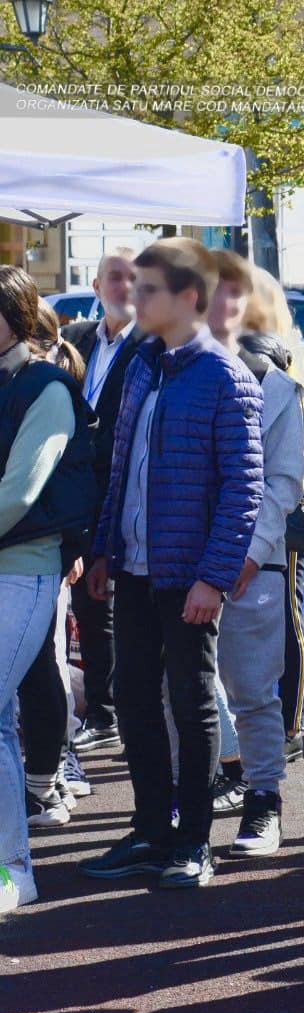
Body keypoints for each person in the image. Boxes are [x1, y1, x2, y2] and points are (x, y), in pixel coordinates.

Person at [77, 238, 265, 890]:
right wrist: (103, 548)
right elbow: (121, 468)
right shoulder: (142, 367)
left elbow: (245, 488)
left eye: (150, 288)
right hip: (131, 567)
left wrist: (213, 577)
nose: (136, 298)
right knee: (131, 694)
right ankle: (151, 827)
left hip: (187, 574)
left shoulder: (226, 376)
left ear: (189, 297)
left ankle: (193, 842)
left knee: (191, 702)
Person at [0, 266, 97, 910]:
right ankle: (13, 871)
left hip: (25, 569)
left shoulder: (47, 387)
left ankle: (14, 871)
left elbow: (21, 492)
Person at [205, 250, 304, 856]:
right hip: (182, 566)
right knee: (181, 690)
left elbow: (284, 482)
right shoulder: (168, 368)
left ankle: (264, 801)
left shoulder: (272, 382)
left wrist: (248, 553)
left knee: (252, 690)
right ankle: (192, 797)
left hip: (252, 567)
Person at [60, 249, 146, 754]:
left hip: (120, 491)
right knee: (84, 604)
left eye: (136, 277)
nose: (126, 285)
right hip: (75, 492)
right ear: (96, 286)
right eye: (116, 277)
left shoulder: (151, 347)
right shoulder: (74, 340)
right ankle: (97, 707)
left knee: (108, 603)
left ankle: (109, 710)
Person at [16, 306, 91, 829]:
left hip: (37, 555)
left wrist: (77, 546)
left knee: (44, 667)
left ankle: (47, 779)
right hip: (34, 552)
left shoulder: (48, 388)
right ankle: (48, 778)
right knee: (43, 665)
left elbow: (29, 488)